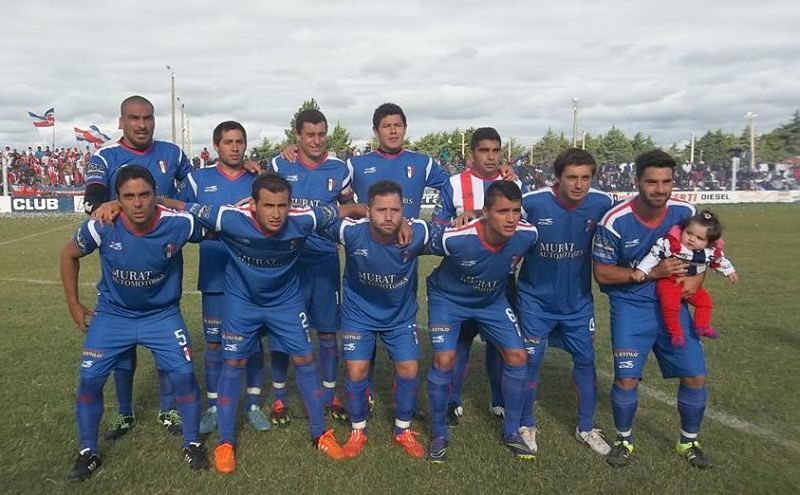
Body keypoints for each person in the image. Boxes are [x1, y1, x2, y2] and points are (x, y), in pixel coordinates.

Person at [161, 174, 368, 473]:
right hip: (241, 303)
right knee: (233, 365)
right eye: (268, 205)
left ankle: (320, 434)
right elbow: (182, 206)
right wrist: (149, 200)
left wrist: (387, 217)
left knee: (305, 359)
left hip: (285, 302)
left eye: (282, 205)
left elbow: (348, 210)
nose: (275, 213)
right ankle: (226, 442)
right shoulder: (229, 217)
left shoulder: (304, 219)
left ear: (290, 204)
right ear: (253, 204)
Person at [60, 165, 208, 481]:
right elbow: (68, 254)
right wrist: (74, 304)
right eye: (129, 196)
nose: (138, 203)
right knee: (88, 382)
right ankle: (88, 451)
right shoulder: (102, 225)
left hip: (162, 316)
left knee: (184, 375)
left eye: (144, 195)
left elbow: (222, 226)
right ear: (118, 199)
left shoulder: (178, 224)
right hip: (114, 316)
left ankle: (192, 442)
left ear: (156, 196)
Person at [593, 149, 711, 469]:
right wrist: (653, 273)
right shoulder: (615, 221)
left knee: (695, 375)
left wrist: (696, 282)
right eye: (651, 182)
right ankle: (624, 439)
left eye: (666, 181)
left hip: (672, 307)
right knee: (627, 379)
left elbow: (702, 251)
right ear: (637, 181)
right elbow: (602, 273)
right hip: (631, 308)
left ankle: (688, 440)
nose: (659, 189)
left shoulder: (685, 211)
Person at [83, 95, 193, 439]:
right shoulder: (105, 156)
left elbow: (198, 189)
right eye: (134, 118)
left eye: (147, 117)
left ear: (154, 121)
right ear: (121, 122)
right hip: (122, 252)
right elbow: (93, 199)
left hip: (162, 257)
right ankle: (125, 413)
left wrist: (244, 167)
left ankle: (168, 409)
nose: (142, 124)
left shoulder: (173, 154)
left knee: (164, 350)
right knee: (122, 351)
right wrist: (112, 205)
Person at [426, 181, 538, 462]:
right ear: (485, 211)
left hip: (491, 302)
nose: (511, 218)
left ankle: (511, 431)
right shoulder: (457, 238)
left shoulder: (527, 235)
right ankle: (438, 433)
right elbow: (420, 237)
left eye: (515, 210)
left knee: (517, 356)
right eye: (503, 211)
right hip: (447, 301)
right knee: (444, 360)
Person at [516, 148, 614, 456]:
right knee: (531, 361)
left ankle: (586, 427)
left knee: (586, 361)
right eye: (572, 177)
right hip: (534, 300)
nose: (579, 184)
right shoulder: (532, 203)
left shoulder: (603, 203)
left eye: (586, 177)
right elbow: (501, 227)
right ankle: (526, 423)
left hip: (578, 303)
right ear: (557, 178)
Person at [320, 180, 427, 459]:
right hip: (359, 314)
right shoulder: (351, 233)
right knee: (356, 371)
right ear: (369, 211)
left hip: (399, 316)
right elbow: (319, 216)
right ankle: (358, 430)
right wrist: (350, 207)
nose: (389, 216)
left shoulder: (418, 233)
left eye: (395, 210)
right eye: (381, 210)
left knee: (409, 369)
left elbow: (457, 232)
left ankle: (402, 429)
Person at [177, 121, 270, 434]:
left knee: (253, 342)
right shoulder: (196, 179)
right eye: (228, 142)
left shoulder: (258, 179)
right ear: (216, 146)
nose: (235, 147)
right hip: (215, 273)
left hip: (251, 275)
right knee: (214, 343)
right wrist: (216, 227)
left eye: (239, 141)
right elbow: (183, 223)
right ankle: (216, 406)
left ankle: (253, 404)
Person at [268, 109, 354, 425]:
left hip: (324, 261)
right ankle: (278, 399)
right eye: (310, 135)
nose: (316, 141)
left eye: (321, 134)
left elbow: (348, 208)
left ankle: (330, 395)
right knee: (282, 333)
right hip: (288, 263)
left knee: (328, 332)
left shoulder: (339, 169)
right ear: (298, 137)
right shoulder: (280, 164)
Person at [431, 127, 521, 425]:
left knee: (499, 344)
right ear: (472, 154)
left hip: (500, 278)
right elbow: (438, 226)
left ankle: (499, 401)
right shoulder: (454, 184)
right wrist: (457, 222)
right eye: (485, 150)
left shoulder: (513, 182)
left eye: (496, 150)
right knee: (460, 343)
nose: (491, 156)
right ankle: (453, 401)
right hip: (461, 280)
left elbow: (524, 224)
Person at [631, 210, 738, 346]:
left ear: (709, 242)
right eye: (689, 233)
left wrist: (730, 271)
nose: (692, 239)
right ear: (682, 230)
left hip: (692, 282)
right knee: (671, 306)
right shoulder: (672, 245)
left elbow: (719, 261)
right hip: (670, 281)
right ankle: (676, 334)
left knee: (705, 302)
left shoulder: (710, 252)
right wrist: (642, 270)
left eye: (700, 238)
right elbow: (654, 255)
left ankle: (702, 326)